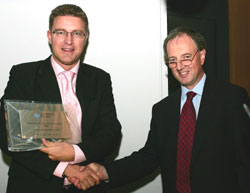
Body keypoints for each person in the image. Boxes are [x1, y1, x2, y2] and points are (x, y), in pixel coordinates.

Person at [71, 26, 250, 193]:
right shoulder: (163, 110)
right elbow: (148, 158)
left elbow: (245, 160)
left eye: (186, 57)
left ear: (202, 56)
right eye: (173, 60)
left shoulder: (231, 99)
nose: (180, 66)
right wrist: (104, 171)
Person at [0, 4, 121, 193]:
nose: (69, 41)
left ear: (86, 38)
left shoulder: (100, 79)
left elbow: (111, 133)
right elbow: (8, 136)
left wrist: (75, 153)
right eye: (61, 32)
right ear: (49, 36)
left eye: (77, 33)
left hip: (88, 183)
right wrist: (66, 168)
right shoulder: (23, 75)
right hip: (34, 185)